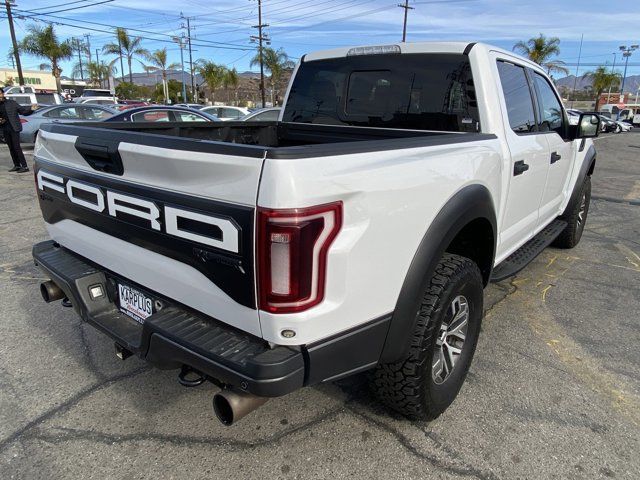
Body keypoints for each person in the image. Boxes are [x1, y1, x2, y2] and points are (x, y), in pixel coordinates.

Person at [0, 89, 37, 173]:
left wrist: (31, 109)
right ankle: (17, 165)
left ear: (3, 94)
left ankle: (25, 166)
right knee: (11, 148)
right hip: (4, 129)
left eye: (0, 94)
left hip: (14, 128)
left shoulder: (11, 103)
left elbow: (23, 111)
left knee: (17, 147)